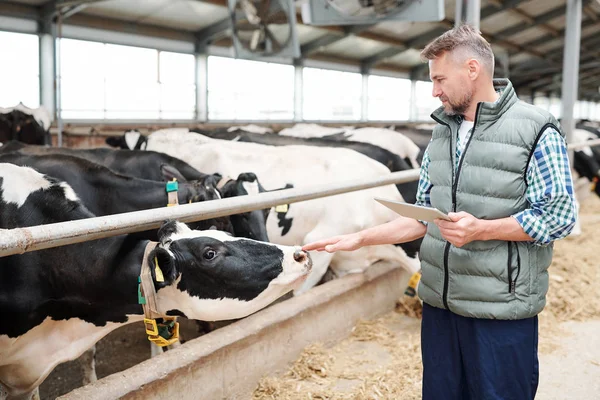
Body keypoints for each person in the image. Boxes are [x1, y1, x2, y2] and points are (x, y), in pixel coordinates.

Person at [302, 24, 577, 400]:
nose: (434, 90)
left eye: (440, 79)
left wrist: (483, 229)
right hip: (439, 305)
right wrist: (360, 238)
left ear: (472, 70)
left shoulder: (536, 129)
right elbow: (424, 215)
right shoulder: (441, 132)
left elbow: (559, 215)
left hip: (499, 308)